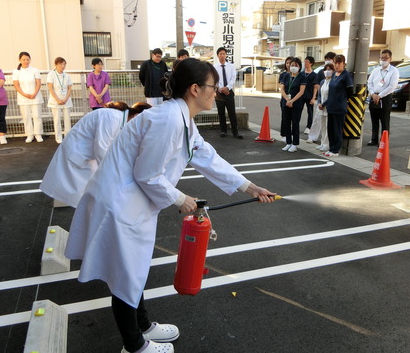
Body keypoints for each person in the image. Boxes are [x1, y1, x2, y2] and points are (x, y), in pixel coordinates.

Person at [64, 58, 276, 353]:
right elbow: (147, 174)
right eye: (212, 87)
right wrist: (181, 199)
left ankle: (143, 325)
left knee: (133, 269)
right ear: (194, 89)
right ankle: (135, 345)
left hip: (132, 202)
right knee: (126, 274)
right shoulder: (167, 120)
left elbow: (208, 157)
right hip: (120, 204)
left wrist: (250, 187)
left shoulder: (182, 119)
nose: (216, 93)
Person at [40, 101, 151, 208]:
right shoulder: (112, 117)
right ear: (136, 116)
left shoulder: (118, 119)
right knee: (81, 196)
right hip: (78, 153)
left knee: (87, 195)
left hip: (86, 154)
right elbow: (101, 148)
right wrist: (115, 172)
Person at [320, 54, 354, 157]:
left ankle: (335, 150)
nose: (337, 65)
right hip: (331, 107)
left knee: (337, 129)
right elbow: (331, 93)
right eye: (335, 63)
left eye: (339, 63)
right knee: (330, 129)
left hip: (339, 107)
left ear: (343, 64)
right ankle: (331, 148)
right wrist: (324, 103)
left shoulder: (346, 75)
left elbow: (349, 91)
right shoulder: (334, 75)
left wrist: (345, 101)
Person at [366, 49, 400, 146]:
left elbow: (392, 86)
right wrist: (373, 94)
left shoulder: (394, 71)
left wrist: (380, 96)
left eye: (386, 58)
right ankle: (374, 139)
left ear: (390, 59)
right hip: (374, 96)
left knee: (384, 120)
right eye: (382, 58)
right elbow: (370, 83)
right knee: (374, 119)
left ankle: (384, 141)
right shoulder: (376, 70)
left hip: (385, 97)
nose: (383, 60)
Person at [12, 52, 44, 143]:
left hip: (35, 96)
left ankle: (38, 134)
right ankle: (29, 134)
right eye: (24, 59)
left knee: (37, 116)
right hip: (23, 98)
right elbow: (16, 85)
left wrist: (34, 93)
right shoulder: (16, 71)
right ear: (20, 60)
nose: (26, 61)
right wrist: (25, 94)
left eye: (27, 59)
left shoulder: (35, 70)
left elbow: (38, 83)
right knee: (26, 116)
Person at [214, 47, 242, 138]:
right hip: (219, 93)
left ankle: (235, 132)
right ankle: (223, 131)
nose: (222, 55)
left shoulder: (231, 66)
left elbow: (233, 78)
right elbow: (215, 80)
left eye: (223, 54)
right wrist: (221, 89)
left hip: (229, 92)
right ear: (217, 55)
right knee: (221, 113)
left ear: (226, 55)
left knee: (232, 112)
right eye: (220, 54)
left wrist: (227, 88)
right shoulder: (215, 67)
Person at [279, 57, 306, 153]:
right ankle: (288, 142)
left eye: (296, 65)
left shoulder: (302, 76)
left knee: (295, 123)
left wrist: (292, 101)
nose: (293, 67)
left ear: (299, 66)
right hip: (286, 102)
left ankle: (295, 144)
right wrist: (287, 100)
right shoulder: (286, 76)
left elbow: (301, 91)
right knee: (286, 122)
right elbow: (282, 89)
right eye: (292, 65)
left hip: (296, 103)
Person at [47, 57, 73, 144]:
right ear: (56, 65)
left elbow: (69, 88)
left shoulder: (67, 75)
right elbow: (50, 88)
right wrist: (57, 99)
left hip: (66, 100)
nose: (62, 66)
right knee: (57, 119)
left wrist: (65, 98)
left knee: (67, 119)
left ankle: (67, 136)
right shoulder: (51, 74)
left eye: (64, 64)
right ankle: (58, 137)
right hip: (55, 100)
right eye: (60, 64)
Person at [309, 51, 336, 136]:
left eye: (330, 59)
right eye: (326, 59)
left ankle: (326, 142)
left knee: (328, 123)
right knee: (318, 119)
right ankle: (313, 136)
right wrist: (319, 100)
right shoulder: (321, 72)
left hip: (330, 103)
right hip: (321, 100)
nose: (328, 61)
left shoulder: (336, 74)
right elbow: (317, 84)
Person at [315, 63, 335, 153]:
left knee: (328, 126)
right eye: (326, 69)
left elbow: (331, 96)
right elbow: (319, 94)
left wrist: (323, 104)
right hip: (321, 107)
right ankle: (322, 143)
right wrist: (319, 102)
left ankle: (327, 144)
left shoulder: (333, 82)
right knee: (323, 125)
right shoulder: (323, 81)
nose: (327, 71)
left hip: (328, 107)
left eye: (330, 69)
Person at [302, 56, 317, 142]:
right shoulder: (301, 74)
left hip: (309, 95)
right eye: (304, 61)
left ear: (311, 63)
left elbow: (315, 87)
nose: (305, 63)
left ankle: (309, 126)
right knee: (298, 111)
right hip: (301, 96)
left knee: (310, 112)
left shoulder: (314, 75)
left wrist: (313, 97)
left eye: (307, 62)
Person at [278, 56, 293, 142]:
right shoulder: (283, 75)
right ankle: (284, 133)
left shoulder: (298, 75)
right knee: (285, 117)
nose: (288, 65)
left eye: (290, 63)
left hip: (293, 100)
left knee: (293, 118)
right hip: (284, 99)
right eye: (287, 63)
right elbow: (281, 87)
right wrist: (287, 98)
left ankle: (290, 134)